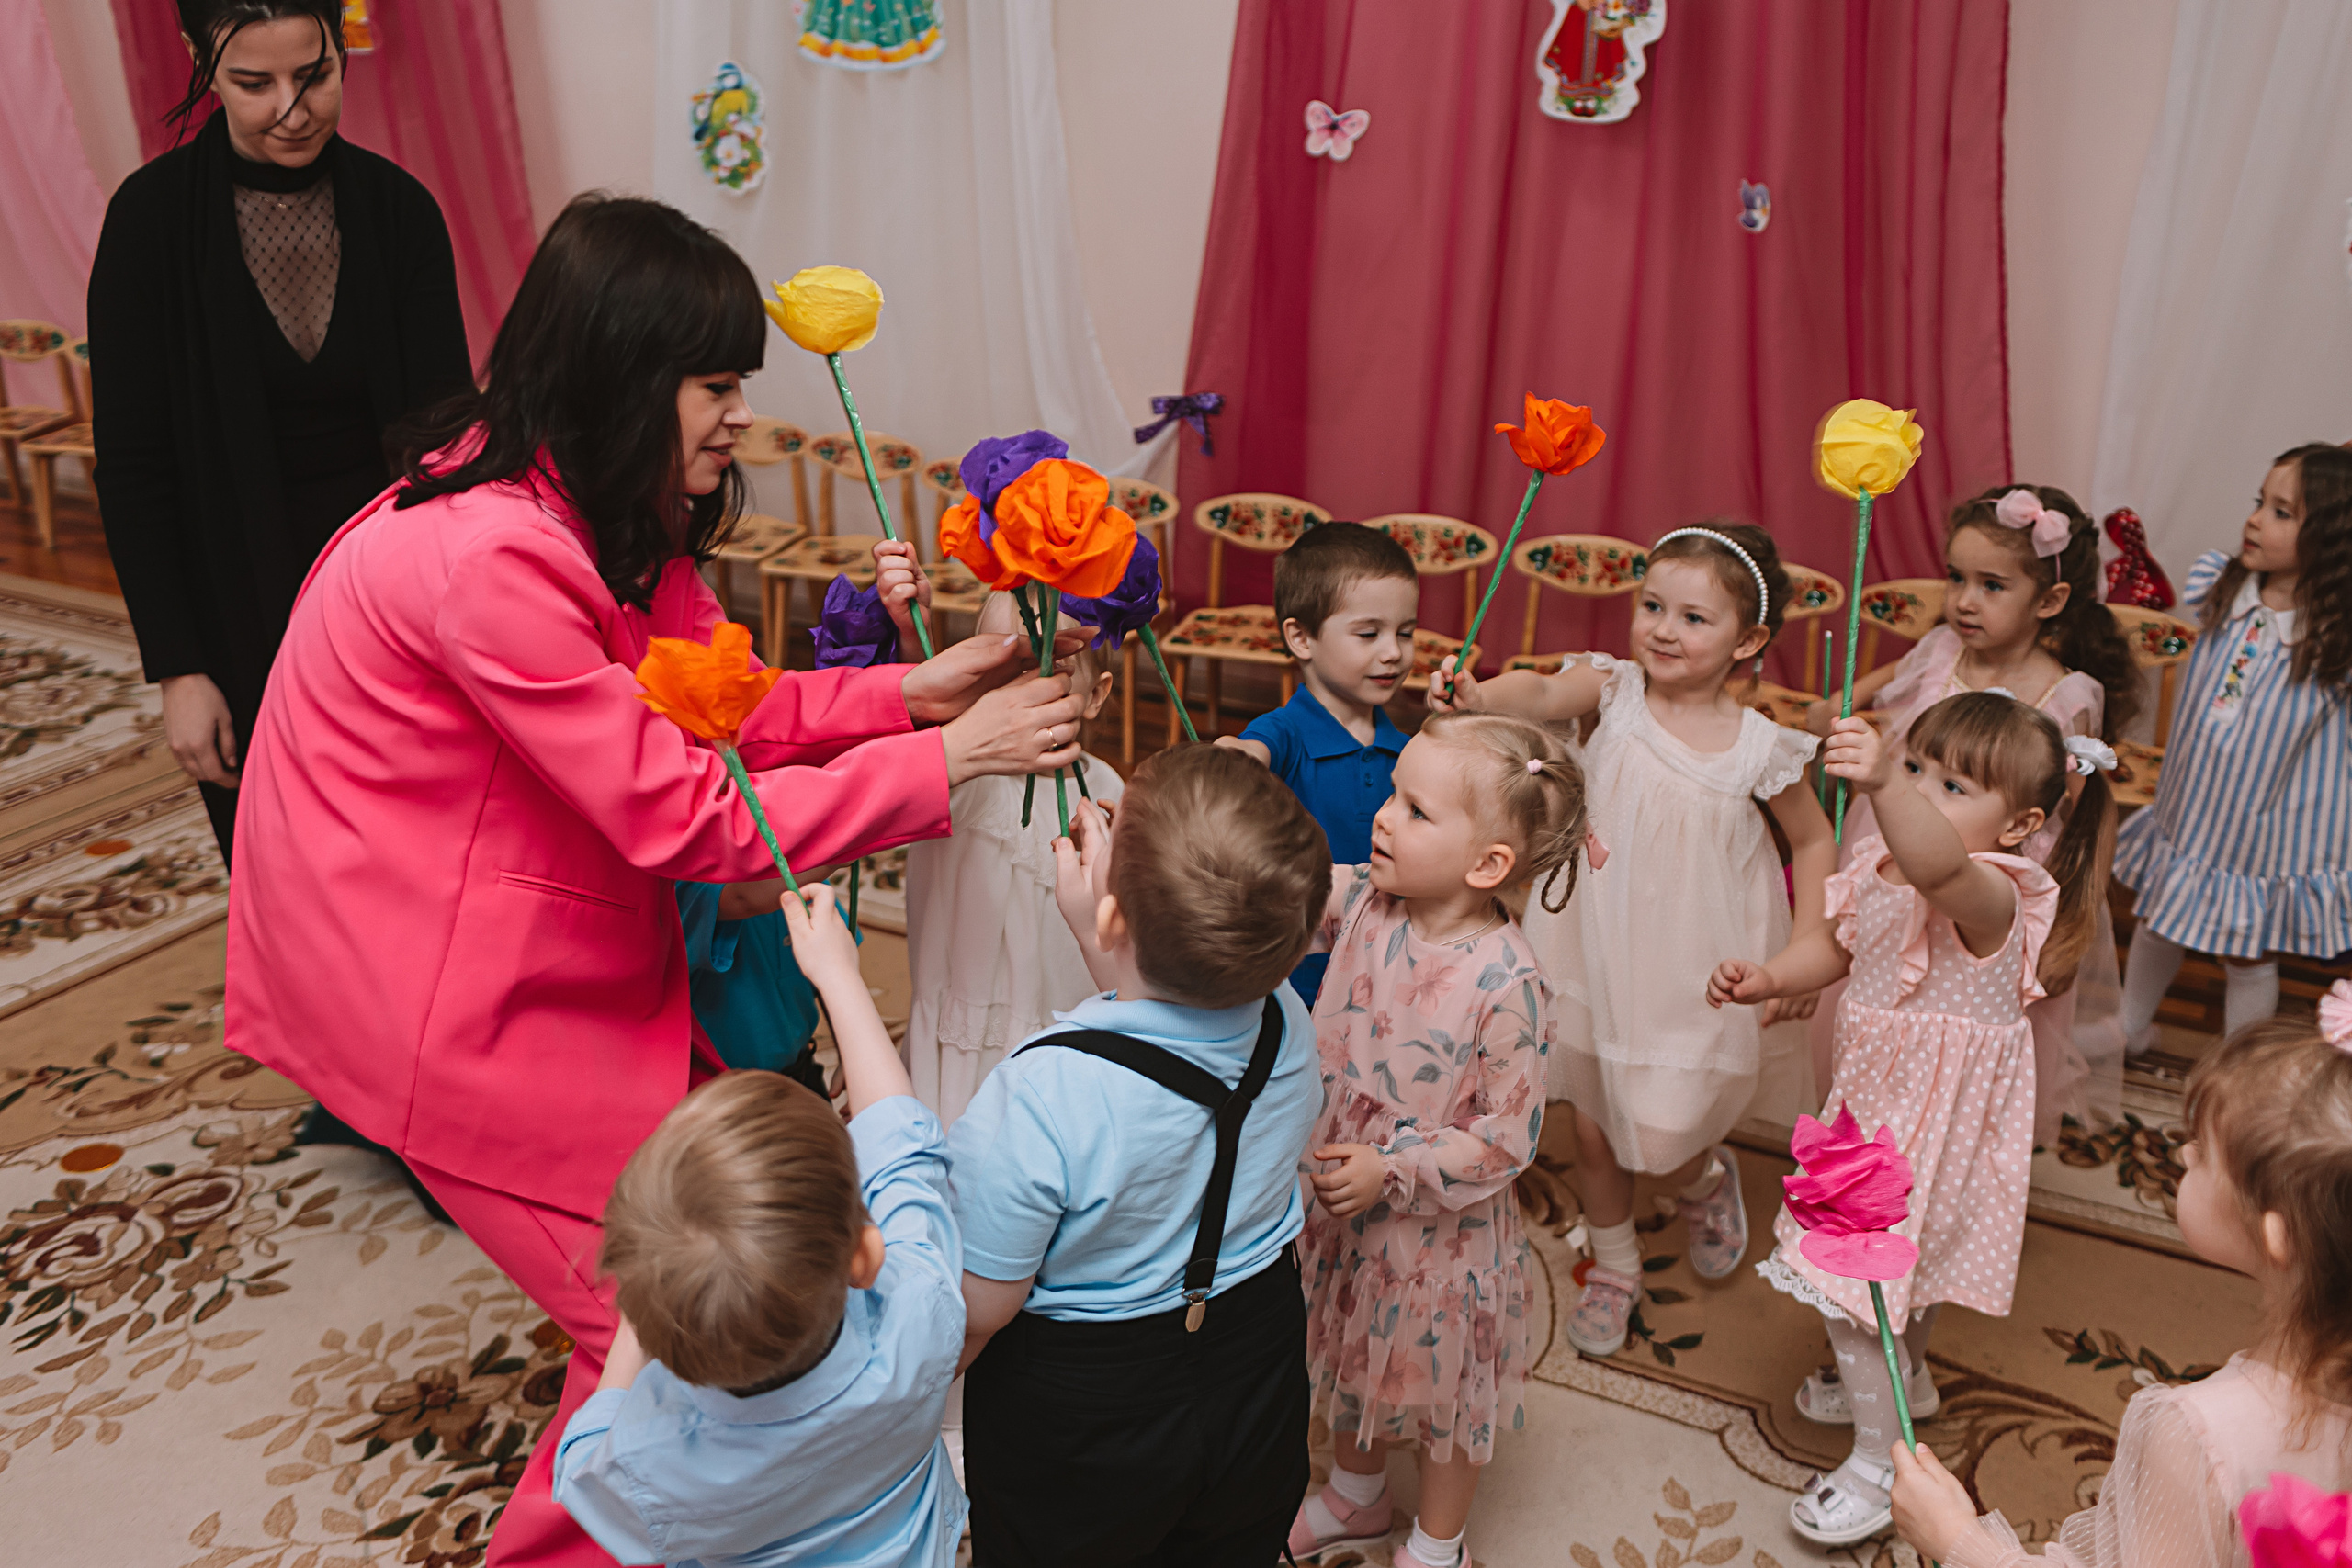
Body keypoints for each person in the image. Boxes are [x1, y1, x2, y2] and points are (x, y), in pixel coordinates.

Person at [224, 195, 1086, 1568]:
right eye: (718, 384)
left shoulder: (588, 503)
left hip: (490, 900)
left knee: (687, 1273)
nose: (739, 415)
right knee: (657, 1321)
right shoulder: (490, 555)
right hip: (421, 971)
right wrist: (953, 760)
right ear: (627, 373)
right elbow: (694, 815)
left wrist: (904, 695)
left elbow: (716, 704)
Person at [1710, 692, 2118, 1545]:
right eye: (1923, 766)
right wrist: (1776, 977)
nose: (1927, 790)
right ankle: (1913, 1375)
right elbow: (1842, 946)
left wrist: (1891, 778)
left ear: (2021, 825)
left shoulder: (2000, 892)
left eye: (1955, 785)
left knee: (1854, 1284)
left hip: (1934, 1124)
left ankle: (1876, 1457)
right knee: (1899, 1277)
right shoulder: (1881, 867)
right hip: (1874, 1105)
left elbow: (1936, 869)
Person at [1432, 524, 1834, 1352]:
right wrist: (1479, 697)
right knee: (1590, 1117)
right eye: (1652, 605)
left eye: (1693, 617)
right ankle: (1614, 1261)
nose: (1662, 628)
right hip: (1592, 948)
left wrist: (1804, 948)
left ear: (1748, 640)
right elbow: (1539, 695)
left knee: (1667, 1123)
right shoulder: (1616, 690)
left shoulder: (1761, 746)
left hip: (1695, 965)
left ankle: (1700, 1174)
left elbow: (1815, 840)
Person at [89, 0, 470, 860]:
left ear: (344, 47)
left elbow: (448, 443)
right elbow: (134, 466)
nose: (292, 110)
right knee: (284, 874)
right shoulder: (149, 225)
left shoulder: (400, 212)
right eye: (254, 84)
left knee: (418, 863)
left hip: (389, 603)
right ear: (199, 60)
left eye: (316, 75)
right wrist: (181, 669)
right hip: (234, 608)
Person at [950, 746, 1329, 1565]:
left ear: (1115, 917)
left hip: (1087, 1407)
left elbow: (978, 1311)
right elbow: (1175, 1021)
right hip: (1258, 1360)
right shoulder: (1289, 1020)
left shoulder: (1041, 1091)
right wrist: (1110, 927)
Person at [551, 884, 966, 1566]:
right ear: (864, 1254)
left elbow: (580, 1458)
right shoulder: (921, 1317)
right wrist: (837, 976)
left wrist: (638, 1317)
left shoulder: (644, 1466)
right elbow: (903, 1147)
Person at [1888, 983, 2352, 1567]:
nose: (2181, 1156)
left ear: (2276, 1236)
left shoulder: (2195, 1439)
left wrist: (1957, 1540)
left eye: (2203, 1153)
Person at [1285, 713, 1584, 1568]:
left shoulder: (1507, 979)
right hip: (1347, 1198)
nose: (1381, 815)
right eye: (1390, 795)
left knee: (1445, 1394)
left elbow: (1506, 1137)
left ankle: (1437, 1542)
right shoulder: (1365, 901)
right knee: (1348, 1353)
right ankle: (1356, 1493)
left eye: (1415, 810)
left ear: (1486, 864)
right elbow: (1285, 898)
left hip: (1438, 1236)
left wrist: (1397, 1167)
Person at [1805, 483, 2142, 1138]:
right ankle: (1863, 1128)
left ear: (2048, 600)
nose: (1963, 599)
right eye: (1956, 577)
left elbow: (2081, 811)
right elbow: (1848, 704)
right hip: (1899, 846)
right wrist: (1833, 713)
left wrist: (2070, 916)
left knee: (1964, 1028)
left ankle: (1949, 1148)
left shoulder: (2069, 695)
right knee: (1874, 991)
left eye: (1992, 585)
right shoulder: (1937, 652)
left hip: (1994, 883)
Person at [2115, 444, 2352, 1051]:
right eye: (2260, 502)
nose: (2254, 519)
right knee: (2158, 916)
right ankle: (2128, 1026)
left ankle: (2234, 1065)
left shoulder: (2336, 635)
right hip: (2194, 804)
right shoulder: (2224, 586)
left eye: (2281, 512)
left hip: (2263, 830)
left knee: (2246, 951)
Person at [901, 591, 1124, 1126]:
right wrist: (911, 635)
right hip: (969, 1014)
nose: (1025, 688)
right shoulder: (957, 775)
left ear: (1095, 695)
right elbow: (905, 744)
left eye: (1051, 668)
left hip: (1061, 1015)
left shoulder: (1105, 789)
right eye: (1006, 667)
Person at [1217, 522, 1420, 1005]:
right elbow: (1253, 751)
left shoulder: (1409, 749)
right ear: (1301, 638)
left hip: (1388, 966)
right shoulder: (1286, 732)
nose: (1393, 652)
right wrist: (1234, 756)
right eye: (1369, 634)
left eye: (1405, 633)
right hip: (1299, 973)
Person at [674, 878, 830, 1095]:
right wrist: (840, 853)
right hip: (714, 1092)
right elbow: (742, 898)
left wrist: (854, 1052)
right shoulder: (686, 880)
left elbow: (833, 964)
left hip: (800, 1075)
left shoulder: (809, 877)